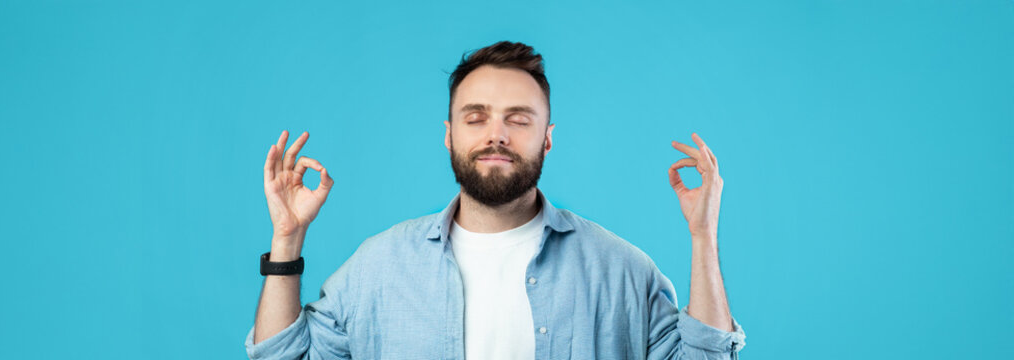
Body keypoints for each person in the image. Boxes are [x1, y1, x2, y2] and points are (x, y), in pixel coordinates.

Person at [245, 41, 746, 360]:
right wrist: (287, 240)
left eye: (519, 119)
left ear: (547, 138)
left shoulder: (620, 269)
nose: (497, 135)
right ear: (449, 134)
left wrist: (703, 238)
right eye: (476, 116)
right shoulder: (379, 267)